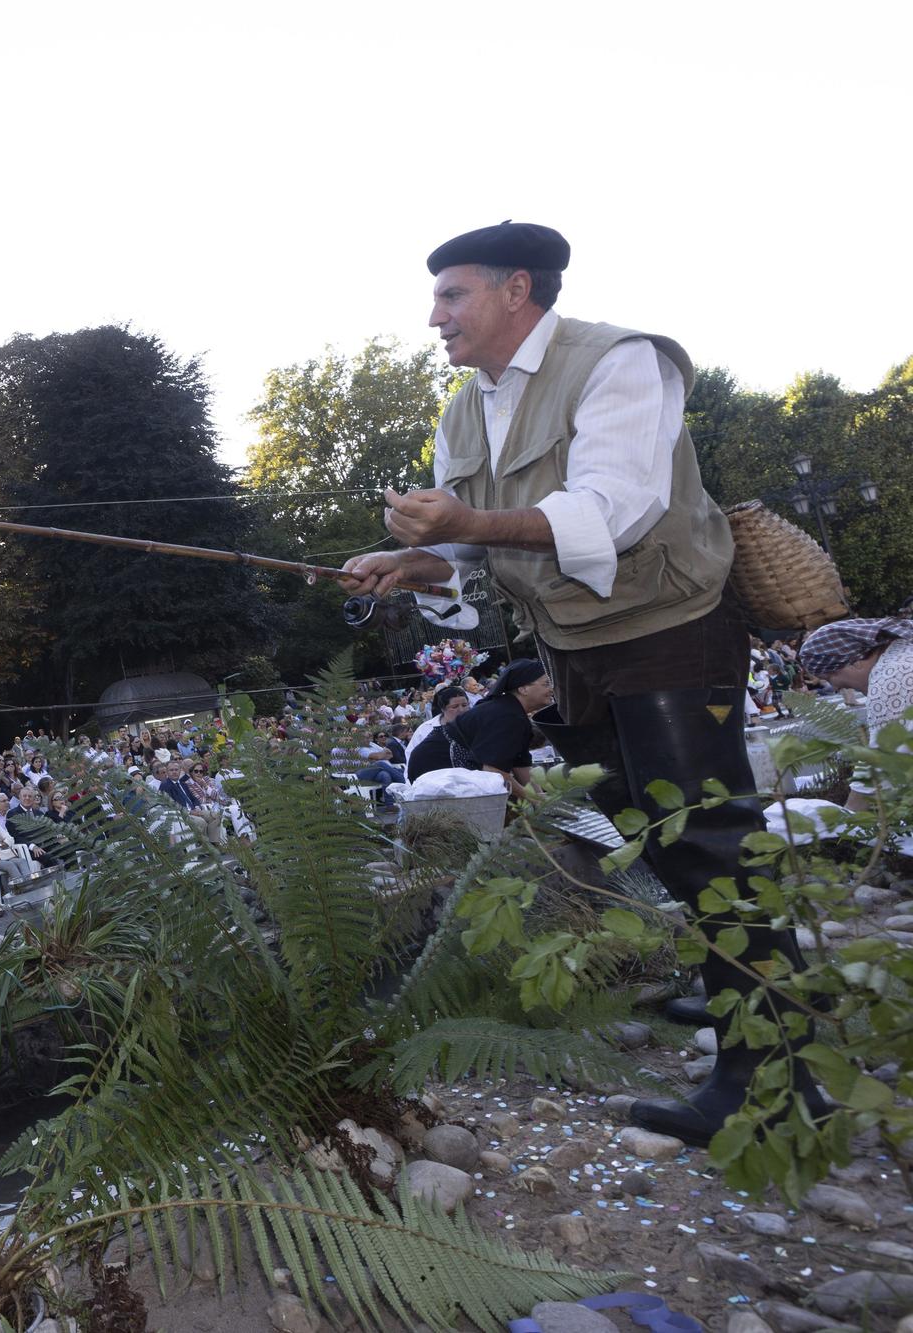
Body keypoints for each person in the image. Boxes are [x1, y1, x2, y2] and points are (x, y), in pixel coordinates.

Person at [339, 219, 819, 1145]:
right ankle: (749, 1000)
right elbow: (463, 553)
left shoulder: (622, 363)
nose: (433, 316)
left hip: (671, 626)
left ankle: (775, 1077)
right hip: (574, 645)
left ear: (517, 291)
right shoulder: (462, 408)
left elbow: (614, 510)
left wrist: (467, 522)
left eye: (451, 294)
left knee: (711, 838)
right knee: (650, 828)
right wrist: (410, 562)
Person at [798, 615, 913, 811]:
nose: (834, 686)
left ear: (855, 661)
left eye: (830, 676)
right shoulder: (902, 652)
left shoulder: (890, 675)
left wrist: (847, 820)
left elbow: (881, 761)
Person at [405, 660, 555, 793]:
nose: (551, 689)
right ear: (523, 689)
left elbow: (520, 764)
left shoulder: (513, 712)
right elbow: (493, 771)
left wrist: (540, 796)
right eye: (546, 684)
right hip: (434, 768)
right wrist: (533, 800)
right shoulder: (507, 715)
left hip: (450, 768)